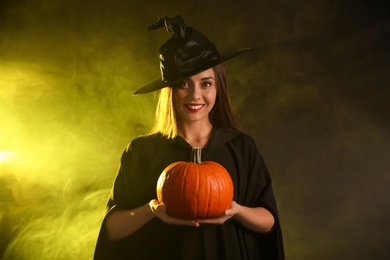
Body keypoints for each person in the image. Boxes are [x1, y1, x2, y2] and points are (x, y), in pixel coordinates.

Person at [94, 15, 284, 260]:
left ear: (219, 89)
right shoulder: (141, 151)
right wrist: (151, 210)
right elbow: (112, 229)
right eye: (184, 83)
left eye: (206, 84)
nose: (195, 95)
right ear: (169, 92)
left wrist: (236, 211)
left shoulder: (241, 147)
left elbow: (268, 221)